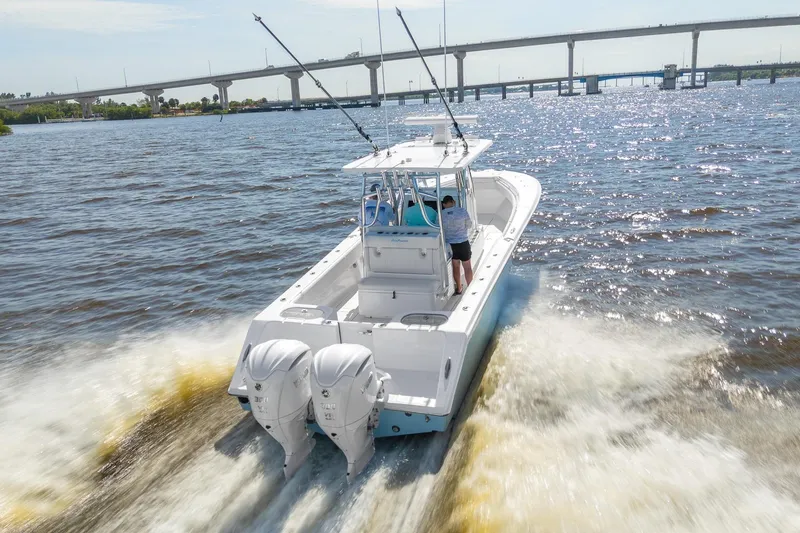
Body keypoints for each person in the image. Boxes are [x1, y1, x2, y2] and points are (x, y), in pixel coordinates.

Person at [440, 195, 473, 295]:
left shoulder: (441, 214)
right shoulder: (462, 211)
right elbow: (469, 225)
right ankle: (471, 289)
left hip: (450, 244)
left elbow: (439, 228)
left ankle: (459, 288)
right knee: (467, 266)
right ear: (453, 202)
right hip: (463, 242)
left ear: (443, 204)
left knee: (456, 267)